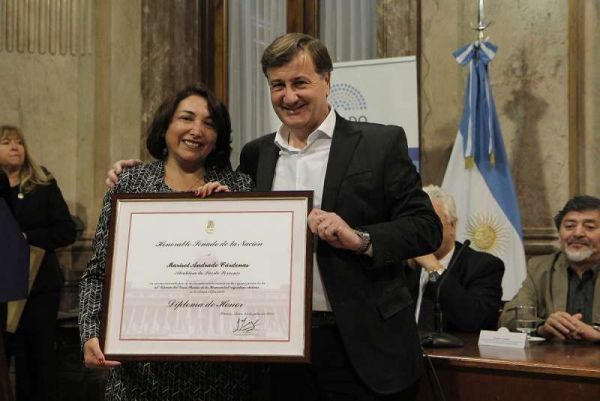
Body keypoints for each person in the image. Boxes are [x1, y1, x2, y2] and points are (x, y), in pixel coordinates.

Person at [105, 34, 442, 400]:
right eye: (277, 85)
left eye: (300, 82)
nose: (289, 96)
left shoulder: (380, 143)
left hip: (366, 349)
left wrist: (360, 238)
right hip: (277, 350)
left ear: (326, 81)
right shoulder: (256, 155)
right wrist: (132, 174)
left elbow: (426, 228)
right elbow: (200, 190)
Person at [78, 84, 255, 400]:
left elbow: (255, 274)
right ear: (166, 126)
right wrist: (90, 333)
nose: (196, 130)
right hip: (139, 375)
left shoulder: (239, 186)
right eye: (186, 118)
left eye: (209, 123)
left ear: (218, 137)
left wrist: (234, 215)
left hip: (220, 376)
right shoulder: (130, 185)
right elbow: (97, 273)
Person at [0, 125, 77, 401]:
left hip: (38, 287)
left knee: (37, 361)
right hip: (3, 288)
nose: (15, 147)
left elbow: (67, 230)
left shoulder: (42, 183)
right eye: (6, 142)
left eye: (20, 142)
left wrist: (26, 237)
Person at [499, 195, 600, 343]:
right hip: (554, 361)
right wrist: (542, 327)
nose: (578, 233)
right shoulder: (540, 268)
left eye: (589, 227)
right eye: (569, 226)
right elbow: (509, 317)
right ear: (559, 233)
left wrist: (597, 334)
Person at [406, 185, 504, 332]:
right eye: (417, 224)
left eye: (431, 223)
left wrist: (434, 267)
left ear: (452, 225)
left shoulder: (483, 266)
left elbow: (476, 320)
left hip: (453, 353)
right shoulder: (403, 264)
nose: (423, 231)